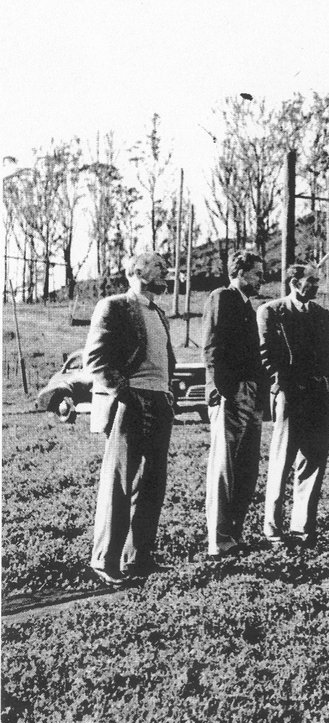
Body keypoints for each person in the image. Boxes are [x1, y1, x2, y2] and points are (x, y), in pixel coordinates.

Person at [85, 251, 176, 586]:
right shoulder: (114, 306)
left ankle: (139, 558)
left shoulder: (159, 313)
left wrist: (167, 393)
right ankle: (105, 561)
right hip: (130, 402)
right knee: (120, 483)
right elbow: (96, 360)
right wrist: (125, 393)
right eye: (159, 266)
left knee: (152, 483)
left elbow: (165, 360)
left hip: (160, 402)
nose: (166, 271)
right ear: (137, 271)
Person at [257, 262, 329, 548]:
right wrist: (283, 386)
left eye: (317, 281)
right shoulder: (271, 311)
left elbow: (328, 356)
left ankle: (302, 529)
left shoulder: (320, 314)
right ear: (294, 283)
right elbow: (266, 355)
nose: (316, 285)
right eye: (311, 280)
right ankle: (273, 529)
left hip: (319, 398)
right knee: (282, 461)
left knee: (313, 462)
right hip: (290, 397)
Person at [202, 250, 266, 559]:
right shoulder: (222, 297)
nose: (261, 279)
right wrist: (220, 389)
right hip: (230, 393)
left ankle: (234, 534)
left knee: (246, 467)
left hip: (250, 394)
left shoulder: (247, 306)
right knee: (224, 467)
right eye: (256, 273)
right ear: (239, 272)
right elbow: (212, 347)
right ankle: (218, 539)